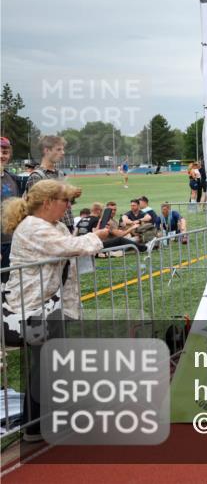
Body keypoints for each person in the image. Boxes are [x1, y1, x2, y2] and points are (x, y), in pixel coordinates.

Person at [1, 179, 109, 442]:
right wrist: (99, 236)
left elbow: (74, 251)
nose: (69, 206)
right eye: (66, 201)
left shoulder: (56, 225)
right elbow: (71, 247)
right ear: (48, 203)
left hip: (51, 306)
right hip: (26, 309)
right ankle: (36, 425)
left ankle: (42, 423)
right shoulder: (32, 227)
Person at [26, 136, 74, 231]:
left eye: (63, 149)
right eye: (58, 149)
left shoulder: (60, 174)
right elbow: (36, 211)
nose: (63, 153)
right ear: (46, 150)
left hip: (67, 226)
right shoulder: (36, 176)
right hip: (51, 230)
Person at [1, 136, 23, 285]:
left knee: (8, 285)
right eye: (0, 151)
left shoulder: (11, 178)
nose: (2, 155)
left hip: (11, 241)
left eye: (6, 152)